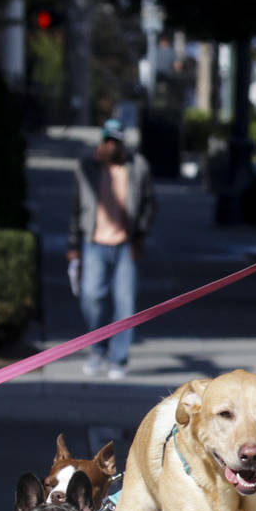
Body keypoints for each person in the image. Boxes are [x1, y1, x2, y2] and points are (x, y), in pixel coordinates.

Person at [68, 118, 157, 380]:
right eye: (106, 141)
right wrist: (73, 246)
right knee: (91, 297)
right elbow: (75, 207)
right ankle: (98, 348)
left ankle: (118, 358)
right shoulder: (87, 166)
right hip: (94, 242)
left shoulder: (137, 166)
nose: (110, 146)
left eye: (115, 142)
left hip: (125, 245)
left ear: (122, 143)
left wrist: (140, 236)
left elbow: (150, 204)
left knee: (125, 304)